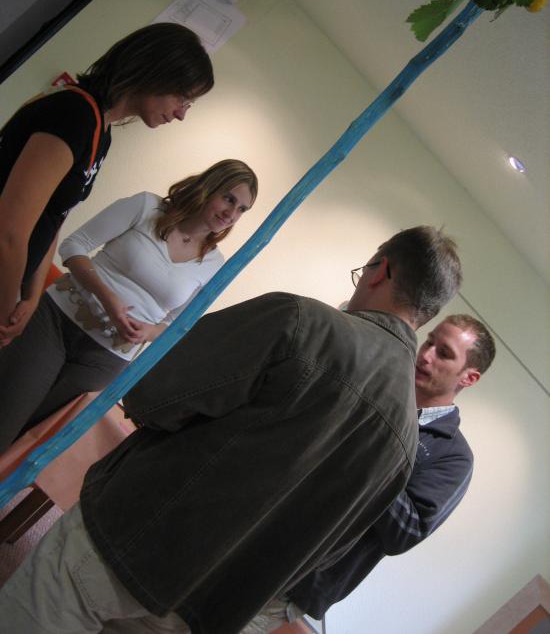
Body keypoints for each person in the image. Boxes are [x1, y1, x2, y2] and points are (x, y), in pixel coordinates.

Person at [0, 225, 462, 634]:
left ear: (381, 270)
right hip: (208, 604)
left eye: (364, 271)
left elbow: (153, 392)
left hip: (132, 536)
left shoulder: (302, 321)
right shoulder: (406, 441)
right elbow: (326, 553)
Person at [0, 159, 258, 453]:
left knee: (30, 444)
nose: (231, 214)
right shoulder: (146, 206)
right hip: (56, 321)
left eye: (242, 209)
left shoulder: (215, 265)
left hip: (106, 359)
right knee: (6, 418)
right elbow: (73, 245)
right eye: (229, 199)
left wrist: (147, 332)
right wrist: (107, 298)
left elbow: (177, 324)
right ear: (209, 186)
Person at [0, 22, 214, 348]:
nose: (181, 114)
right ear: (155, 75)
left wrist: (29, 295)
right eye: (182, 98)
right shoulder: (75, 113)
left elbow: (53, 217)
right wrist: (4, 311)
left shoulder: (101, 131)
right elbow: (9, 230)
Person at [284, 313, 496, 624]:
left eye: (444, 353)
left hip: (298, 581)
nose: (426, 355)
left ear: (468, 378)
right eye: (430, 341)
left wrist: (374, 448)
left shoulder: (454, 458)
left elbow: (405, 533)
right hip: (255, 533)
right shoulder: (375, 387)